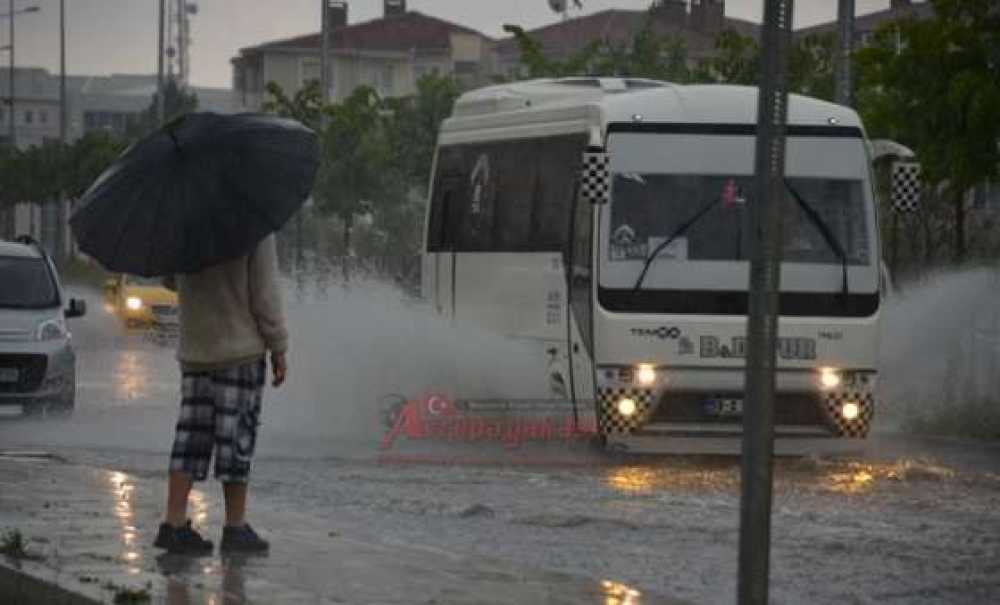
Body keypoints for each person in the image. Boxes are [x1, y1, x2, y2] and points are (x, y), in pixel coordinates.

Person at [153, 234, 288, 555]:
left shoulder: (185, 219)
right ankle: (235, 526)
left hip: (195, 350)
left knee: (190, 437)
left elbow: (171, 281)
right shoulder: (254, 223)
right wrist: (278, 347)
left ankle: (173, 523)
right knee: (236, 438)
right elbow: (264, 293)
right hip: (238, 351)